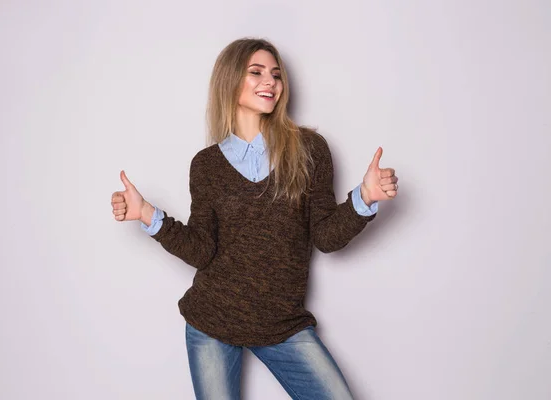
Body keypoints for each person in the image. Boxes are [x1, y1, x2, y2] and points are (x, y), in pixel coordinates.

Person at [110, 38, 398, 400]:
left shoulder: (309, 150)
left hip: (282, 323)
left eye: (276, 75)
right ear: (230, 81)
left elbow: (325, 237)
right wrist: (146, 214)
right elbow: (202, 250)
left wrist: (364, 198)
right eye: (257, 72)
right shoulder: (206, 165)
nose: (271, 82)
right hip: (212, 319)